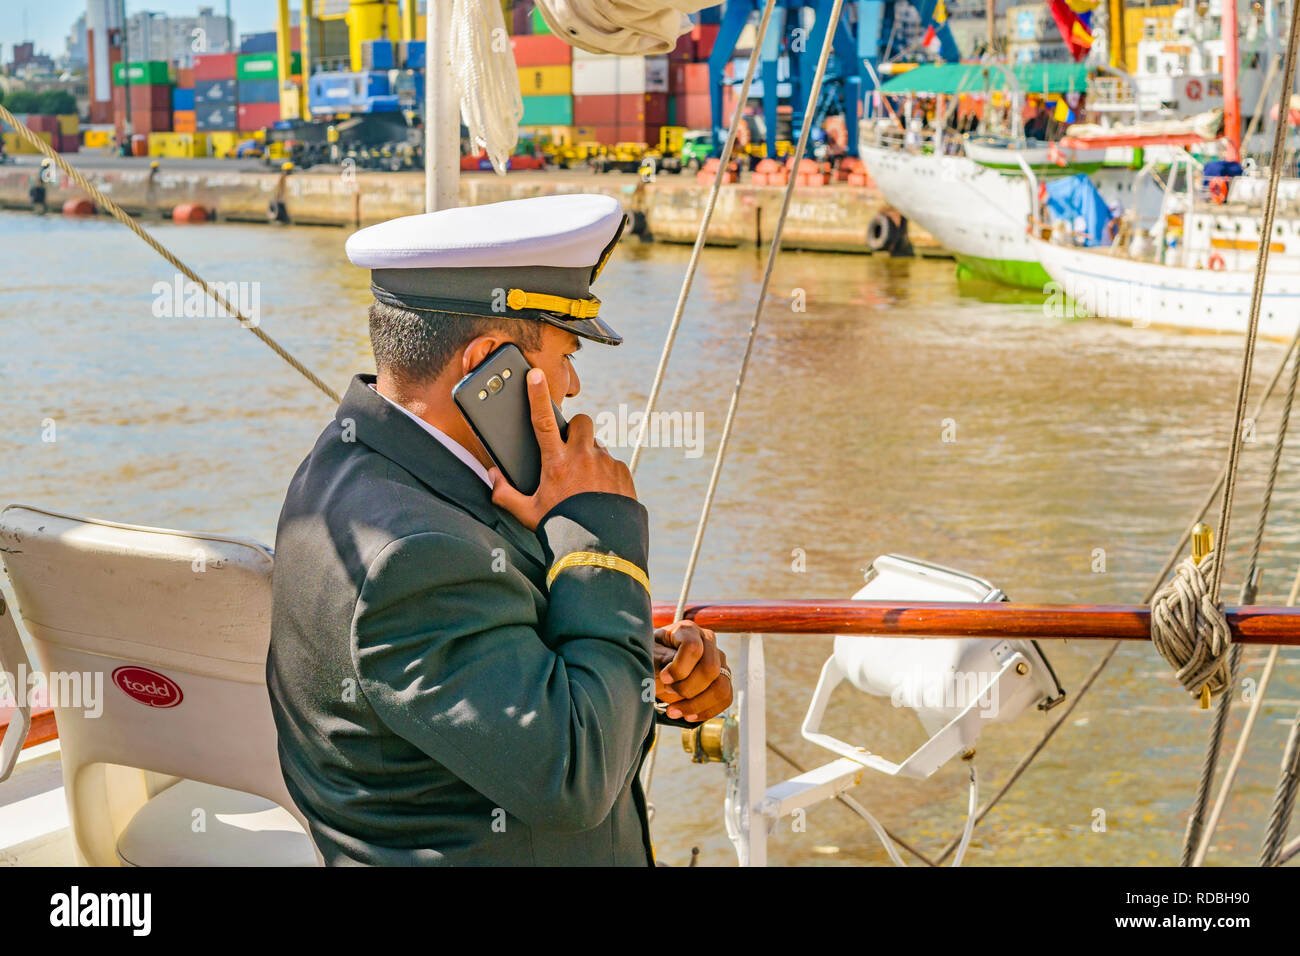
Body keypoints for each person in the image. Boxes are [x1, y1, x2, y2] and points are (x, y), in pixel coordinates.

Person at [266, 193, 732, 865]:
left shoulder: (356, 467)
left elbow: (487, 681)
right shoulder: (415, 556)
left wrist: (642, 670)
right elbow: (577, 774)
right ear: (488, 364)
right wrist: (601, 539)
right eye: (568, 352)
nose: (571, 386)